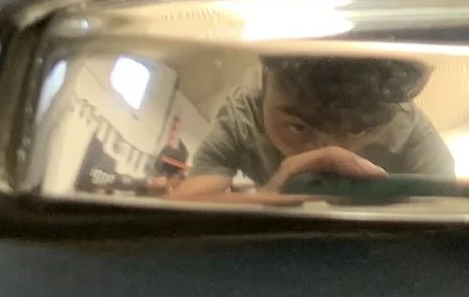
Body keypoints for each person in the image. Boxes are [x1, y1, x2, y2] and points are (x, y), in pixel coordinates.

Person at [170, 55, 452, 200]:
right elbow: (183, 216)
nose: (327, 153)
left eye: (357, 130)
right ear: (265, 83)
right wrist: (270, 203)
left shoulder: (413, 139)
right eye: (298, 128)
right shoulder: (243, 115)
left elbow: (446, 239)